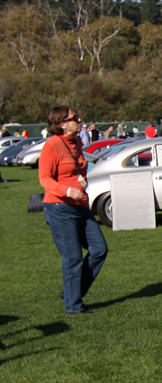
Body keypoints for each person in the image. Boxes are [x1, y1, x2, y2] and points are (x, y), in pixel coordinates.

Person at [38, 105, 108, 315]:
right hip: (60, 207)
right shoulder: (52, 145)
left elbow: (80, 171)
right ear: (62, 124)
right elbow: (45, 179)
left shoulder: (76, 142)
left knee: (99, 250)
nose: (79, 120)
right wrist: (68, 190)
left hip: (81, 207)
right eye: (74, 118)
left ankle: (72, 291)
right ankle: (73, 305)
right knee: (73, 257)